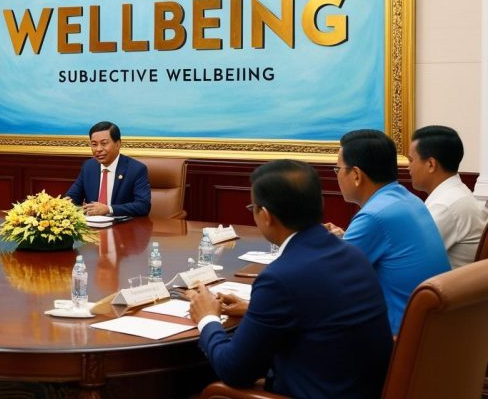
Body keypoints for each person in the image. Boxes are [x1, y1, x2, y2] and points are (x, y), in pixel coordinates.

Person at [187, 160, 392, 398]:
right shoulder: (351, 253)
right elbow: (316, 310)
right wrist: (253, 309)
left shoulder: (279, 278)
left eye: (253, 208)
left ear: (265, 215)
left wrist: (207, 317)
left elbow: (234, 370)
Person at [330, 129, 450, 334]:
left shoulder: (374, 216)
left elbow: (329, 277)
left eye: (338, 169)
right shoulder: (408, 200)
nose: (337, 175)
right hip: (433, 331)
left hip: (399, 338)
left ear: (356, 175)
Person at [408, 125, 488, 268]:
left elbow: (410, 260)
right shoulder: (455, 193)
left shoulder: (446, 205)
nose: (408, 167)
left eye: (411, 160)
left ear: (431, 164)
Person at [65, 121, 151, 217]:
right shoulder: (88, 166)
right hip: (92, 224)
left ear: (118, 144)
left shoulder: (136, 169)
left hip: (122, 224)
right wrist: (65, 204)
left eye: (104, 143)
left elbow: (143, 206)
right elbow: (73, 197)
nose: (98, 149)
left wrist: (109, 209)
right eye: (94, 144)